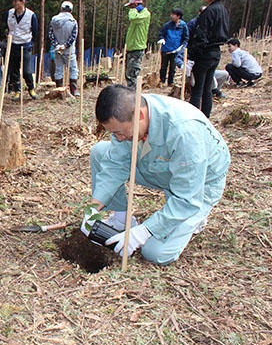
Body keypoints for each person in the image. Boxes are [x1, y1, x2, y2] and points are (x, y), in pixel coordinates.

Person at [84, 85, 230, 265]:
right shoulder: (127, 111)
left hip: (198, 185)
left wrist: (144, 232)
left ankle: (195, 219)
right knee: (100, 152)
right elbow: (116, 163)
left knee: (155, 252)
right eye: (114, 133)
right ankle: (122, 220)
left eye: (120, 133)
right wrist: (92, 208)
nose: (118, 138)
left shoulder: (185, 131)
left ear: (139, 116)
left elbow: (187, 198)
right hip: (160, 166)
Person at [188, 0, 229, 118]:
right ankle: (206, 118)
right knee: (207, 89)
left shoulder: (209, 11)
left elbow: (201, 37)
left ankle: (194, 120)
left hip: (204, 54)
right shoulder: (221, 9)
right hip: (214, 54)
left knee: (197, 89)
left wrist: (192, 57)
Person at [6, 0, 38, 100]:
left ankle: (31, 88)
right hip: (13, 44)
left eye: (17, 1)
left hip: (25, 45)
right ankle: (17, 90)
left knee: (27, 71)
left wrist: (31, 42)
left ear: (23, 2)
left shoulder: (31, 15)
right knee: (14, 69)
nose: (14, 3)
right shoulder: (10, 13)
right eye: (13, 1)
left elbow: (35, 31)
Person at [49, 1, 79, 96]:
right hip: (69, 50)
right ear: (71, 11)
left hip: (57, 49)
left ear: (61, 9)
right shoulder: (73, 22)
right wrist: (65, 46)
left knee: (59, 69)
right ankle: (73, 91)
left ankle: (59, 91)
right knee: (73, 69)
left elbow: (51, 34)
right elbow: (73, 36)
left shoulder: (54, 20)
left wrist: (57, 45)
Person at [123, 0, 151, 88]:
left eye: (131, 6)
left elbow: (133, 18)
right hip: (132, 47)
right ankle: (131, 92)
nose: (130, 9)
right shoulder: (138, 14)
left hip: (137, 48)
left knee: (133, 74)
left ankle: (134, 95)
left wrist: (133, 9)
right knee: (128, 73)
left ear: (135, 4)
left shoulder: (144, 14)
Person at [157, 8, 188, 86]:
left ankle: (170, 82)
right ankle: (162, 81)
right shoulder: (167, 25)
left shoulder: (183, 26)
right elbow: (161, 34)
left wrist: (182, 47)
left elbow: (186, 38)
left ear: (178, 16)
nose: (171, 16)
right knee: (163, 66)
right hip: (165, 49)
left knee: (173, 67)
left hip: (176, 50)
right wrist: (161, 39)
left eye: (173, 15)